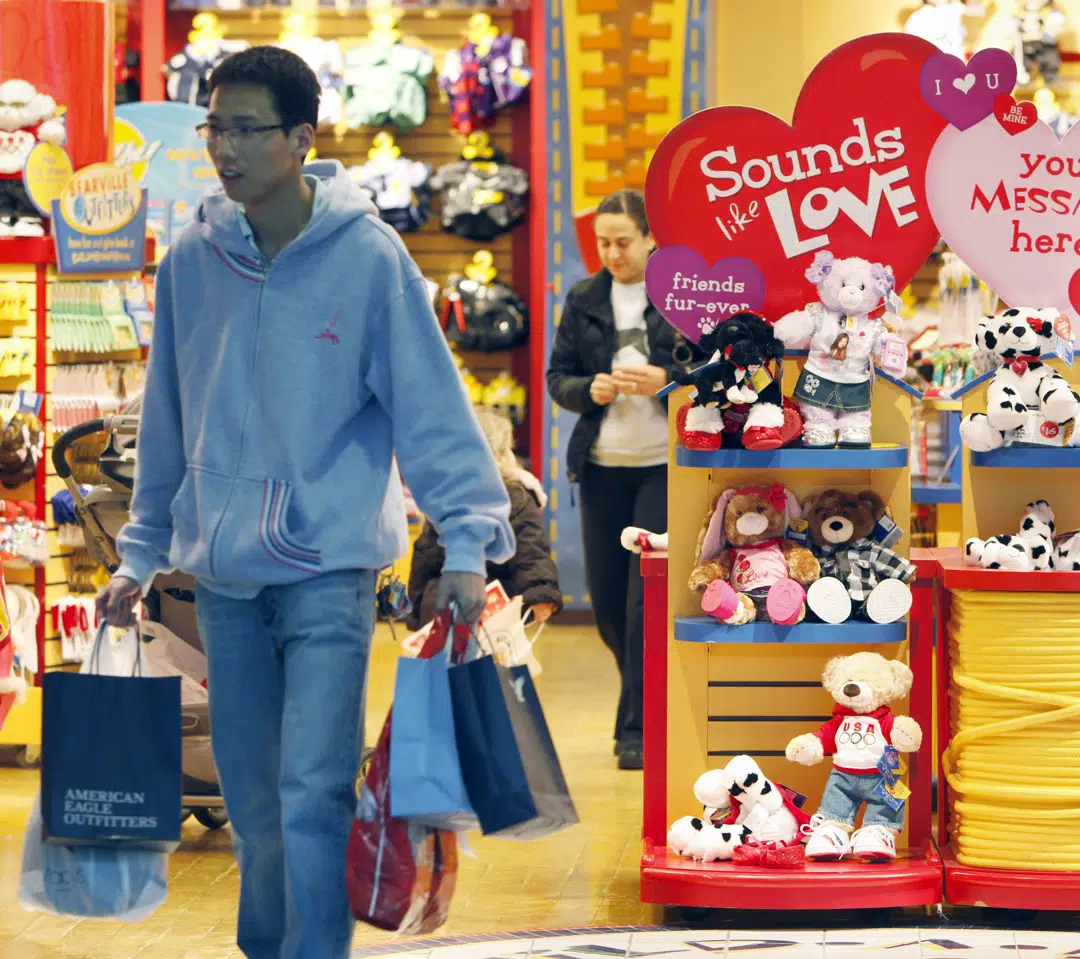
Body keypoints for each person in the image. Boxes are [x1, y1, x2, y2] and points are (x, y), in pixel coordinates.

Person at [94, 47, 515, 958]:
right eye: (216, 127)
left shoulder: (368, 258)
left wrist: (472, 544)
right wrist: (137, 552)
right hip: (224, 582)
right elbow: (167, 421)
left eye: (246, 128)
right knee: (251, 798)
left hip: (329, 573)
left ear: (299, 139)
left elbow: (433, 412)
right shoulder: (191, 265)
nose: (225, 148)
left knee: (314, 790)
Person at [546, 188, 690, 770]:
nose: (611, 253)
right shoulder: (583, 298)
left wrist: (667, 378)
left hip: (662, 465)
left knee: (640, 603)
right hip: (601, 468)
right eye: (602, 242)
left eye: (622, 241)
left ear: (651, 237)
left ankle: (636, 728)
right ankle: (641, 691)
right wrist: (590, 390)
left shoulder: (679, 291)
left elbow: (710, 369)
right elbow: (559, 377)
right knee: (607, 605)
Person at [407, 408, 563, 629]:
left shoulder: (443, 495)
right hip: (494, 606)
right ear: (499, 455)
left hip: (441, 604)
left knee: (445, 661)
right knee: (487, 661)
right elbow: (531, 553)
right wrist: (540, 593)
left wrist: (417, 608)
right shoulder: (515, 497)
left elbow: (424, 557)